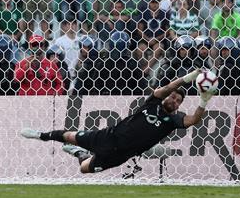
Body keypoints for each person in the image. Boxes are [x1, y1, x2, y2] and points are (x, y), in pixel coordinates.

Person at [20, 68, 215, 174]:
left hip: (121, 155)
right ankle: (40, 135)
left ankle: (80, 154)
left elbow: (194, 120)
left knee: (84, 169)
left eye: (178, 101)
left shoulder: (173, 120)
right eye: (173, 97)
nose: (174, 101)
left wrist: (204, 100)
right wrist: (189, 77)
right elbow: (166, 88)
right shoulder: (153, 102)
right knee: (70, 136)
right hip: (109, 137)